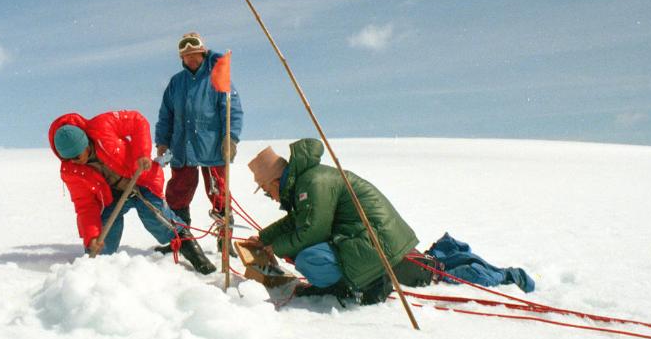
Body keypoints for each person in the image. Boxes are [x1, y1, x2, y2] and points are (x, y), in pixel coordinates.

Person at [245, 139, 419, 304]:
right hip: (372, 238)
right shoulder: (306, 180)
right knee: (297, 248)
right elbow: (297, 220)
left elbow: (313, 232)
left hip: (378, 244)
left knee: (308, 259)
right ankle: (350, 280)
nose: (272, 198)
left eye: (268, 192)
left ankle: (357, 284)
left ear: (276, 182)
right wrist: (264, 238)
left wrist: (274, 247)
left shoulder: (312, 182)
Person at [48, 110, 216, 274]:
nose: (74, 162)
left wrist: (141, 154)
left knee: (158, 220)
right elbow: (85, 205)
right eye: (67, 159)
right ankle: (99, 275)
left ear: (85, 143)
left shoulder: (103, 125)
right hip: (112, 196)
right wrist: (91, 237)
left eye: (77, 157)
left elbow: (138, 121)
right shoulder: (71, 171)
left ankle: (197, 257)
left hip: (140, 180)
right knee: (102, 241)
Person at [155, 32, 243, 251]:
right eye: (187, 56)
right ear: (181, 59)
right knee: (177, 194)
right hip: (182, 148)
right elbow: (165, 115)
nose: (191, 59)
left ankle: (225, 243)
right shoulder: (176, 82)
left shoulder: (217, 77)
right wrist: (162, 143)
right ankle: (180, 239)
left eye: (195, 54)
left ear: (203, 53)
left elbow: (233, 111)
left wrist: (230, 138)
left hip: (213, 148)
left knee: (219, 192)